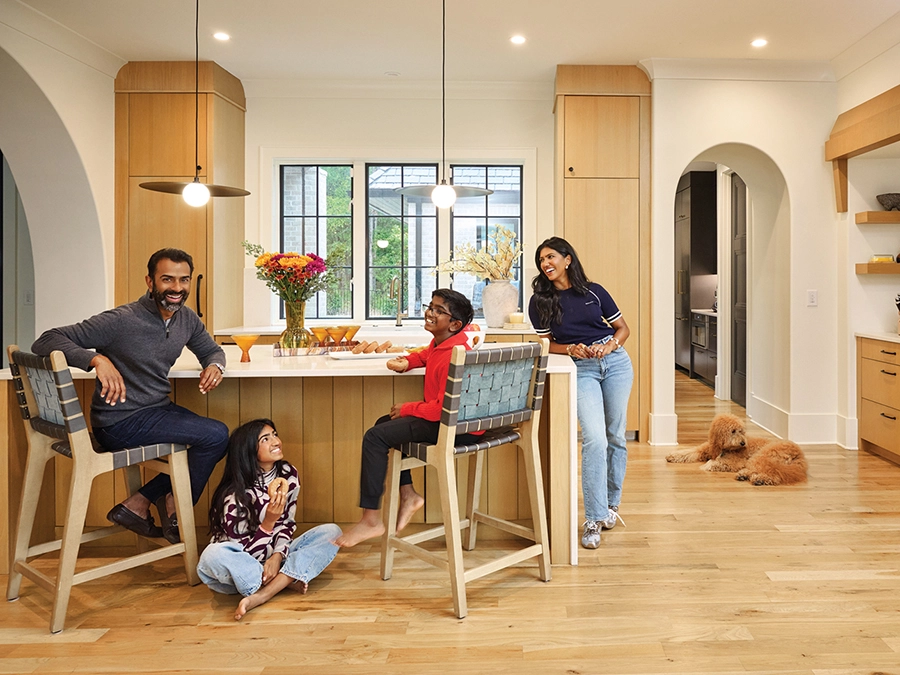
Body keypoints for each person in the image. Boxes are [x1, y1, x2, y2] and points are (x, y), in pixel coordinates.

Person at [31, 247, 229, 544]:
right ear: (150, 282)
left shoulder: (185, 319)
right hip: (118, 422)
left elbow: (211, 349)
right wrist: (96, 360)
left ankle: (139, 503)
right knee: (215, 435)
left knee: (219, 438)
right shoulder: (121, 320)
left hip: (156, 411)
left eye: (184, 280)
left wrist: (215, 365)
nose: (177, 288)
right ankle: (168, 505)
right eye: (167, 279)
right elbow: (46, 340)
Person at [335, 289, 481, 548]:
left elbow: (441, 410)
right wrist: (409, 361)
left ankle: (371, 519)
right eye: (430, 306)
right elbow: (426, 354)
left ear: (455, 324)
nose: (430, 312)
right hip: (457, 421)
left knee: (375, 436)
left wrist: (408, 408)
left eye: (439, 310)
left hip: (454, 425)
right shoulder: (445, 343)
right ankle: (409, 494)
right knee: (384, 426)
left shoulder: (452, 355)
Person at [528, 237, 634, 549]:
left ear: (567, 259)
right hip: (581, 368)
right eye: (541, 260)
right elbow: (544, 345)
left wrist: (609, 346)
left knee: (616, 436)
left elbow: (623, 328)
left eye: (550, 257)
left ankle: (612, 506)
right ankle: (593, 519)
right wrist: (571, 348)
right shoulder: (540, 301)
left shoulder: (594, 291)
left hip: (615, 364)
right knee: (595, 438)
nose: (546, 264)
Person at [197, 419, 341, 621]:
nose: (276, 441)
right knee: (211, 555)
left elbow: (288, 524)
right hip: (240, 569)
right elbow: (244, 553)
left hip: (274, 556)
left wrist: (277, 556)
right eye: (266, 439)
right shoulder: (235, 496)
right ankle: (284, 580)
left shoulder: (288, 474)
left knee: (332, 533)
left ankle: (263, 594)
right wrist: (268, 524)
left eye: (274, 434)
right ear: (248, 450)